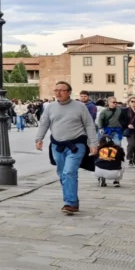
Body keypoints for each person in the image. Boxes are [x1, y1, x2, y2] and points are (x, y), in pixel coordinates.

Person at [36, 81, 98, 215]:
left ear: (68, 92)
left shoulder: (80, 107)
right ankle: (72, 200)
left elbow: (89, 125)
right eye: (56, 90)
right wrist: (39, 138)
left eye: (61, 90)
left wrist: (93, 143)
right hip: (57, 145)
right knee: (61, 173)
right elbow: (44, 124)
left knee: (69, 172)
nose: (58, 93)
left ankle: (70, 203)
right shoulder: (50, 107)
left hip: (76, 145)